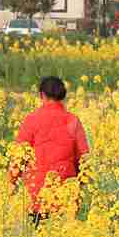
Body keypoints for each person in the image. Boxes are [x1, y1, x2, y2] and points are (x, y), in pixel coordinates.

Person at [9, 76, 90, 221]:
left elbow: (19, 156)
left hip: (37, 194)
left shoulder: (31, 120)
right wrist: (81, 186)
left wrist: (12, 182)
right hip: (66, 195)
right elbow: (83, 158)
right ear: (63, 95)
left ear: (41, 95)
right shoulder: (73, 121)